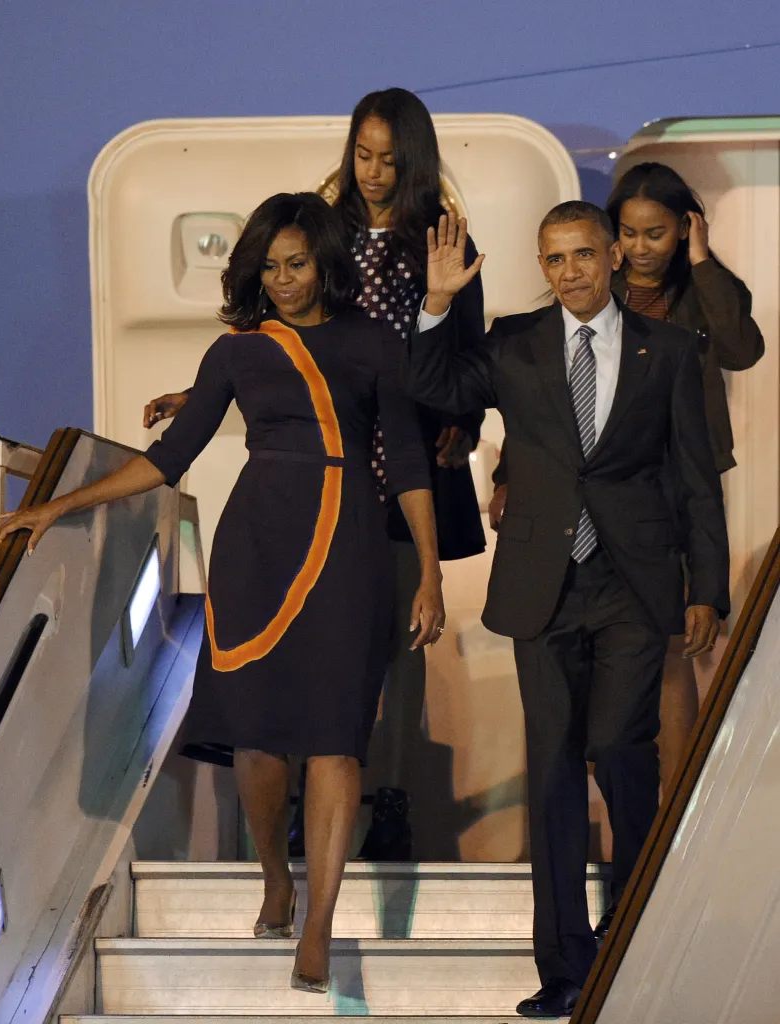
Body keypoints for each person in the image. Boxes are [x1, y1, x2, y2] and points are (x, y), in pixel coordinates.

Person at [0, 192, 444, 994]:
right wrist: (58, 507)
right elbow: (167, 460)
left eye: (297, 264)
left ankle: (319, 923)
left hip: (349, 546)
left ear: (325, 264)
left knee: (337, 738)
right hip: (257, 548)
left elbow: (408, 461)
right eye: (269, 268)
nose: (283, 280)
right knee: (260, 741)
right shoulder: (236, 352)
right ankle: (275, 872)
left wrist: (434, 575)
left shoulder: (374, 342)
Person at [404, 205, 729, 1018]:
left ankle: (632, 928)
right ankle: (564, 971)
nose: (572, 270)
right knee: (552, 769)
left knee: (622, 748)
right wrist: (437, 306)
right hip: (543, 584)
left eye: (585, 253)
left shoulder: (673, 352)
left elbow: (696, 478)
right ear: (542, 266)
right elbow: (431, 384)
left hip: (633, 581)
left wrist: (707, 588)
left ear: (615, 255)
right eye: (555, 258)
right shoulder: (514, 343)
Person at [144, 88, 486, 861]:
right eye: (362, 154)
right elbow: (277, 340)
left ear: (415, 159)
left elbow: (466, 356)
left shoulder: (442, 239)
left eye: (389, 158)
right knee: (311, 643)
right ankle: (300, 806)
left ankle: (387, 802)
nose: (372, 170)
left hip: (399, 459)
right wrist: (200, 395)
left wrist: (458, 423)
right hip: (322, 468)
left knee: (391, 642)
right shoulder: (322, 230)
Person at [490, 165, 763, 797]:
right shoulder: (576, 300)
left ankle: (669, 808)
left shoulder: (696, 297)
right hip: (589, 502)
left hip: (666, 488)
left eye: (658, 233)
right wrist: (508, 474)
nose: (642, 247)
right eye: (630, 234)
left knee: (668, 652)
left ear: (683, 229)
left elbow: (743, 348)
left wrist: (700, 260)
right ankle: (620, 812)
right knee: (612, 680)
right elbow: (543, 414)